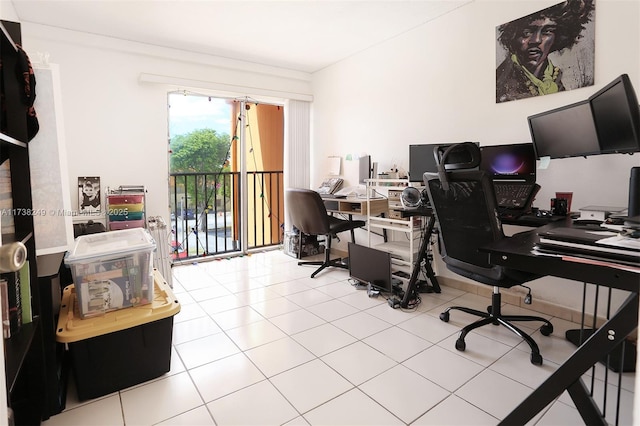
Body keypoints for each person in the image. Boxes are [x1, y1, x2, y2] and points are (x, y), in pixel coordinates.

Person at [496, 0, 595, 103]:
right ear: (513, 36)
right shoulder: (502, 84)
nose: (536, 40)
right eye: (527, 32)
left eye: (547, 31)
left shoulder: (556, 78)